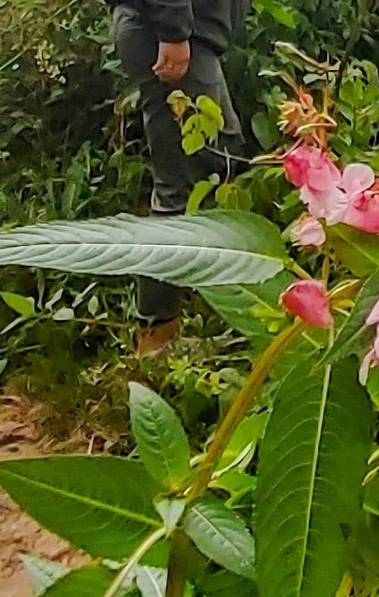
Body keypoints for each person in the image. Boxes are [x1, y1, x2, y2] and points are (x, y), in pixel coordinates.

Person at [108, 0, 245, 354]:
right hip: (169, 34)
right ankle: (156, 337)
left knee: (219, 160)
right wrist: (173, 30)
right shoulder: (173, 31)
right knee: (185, 183)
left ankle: (193, 313)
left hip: (178, 31)